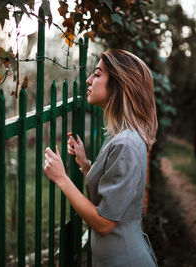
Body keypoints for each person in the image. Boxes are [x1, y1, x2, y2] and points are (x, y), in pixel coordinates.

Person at [44, 49, 158, 267]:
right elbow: (115, 191)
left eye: (97, 74)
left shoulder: (125, 143)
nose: (89, 80)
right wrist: (86, 165)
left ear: (118, 85)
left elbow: (105, 223)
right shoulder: (120, 136)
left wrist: (61, 178)